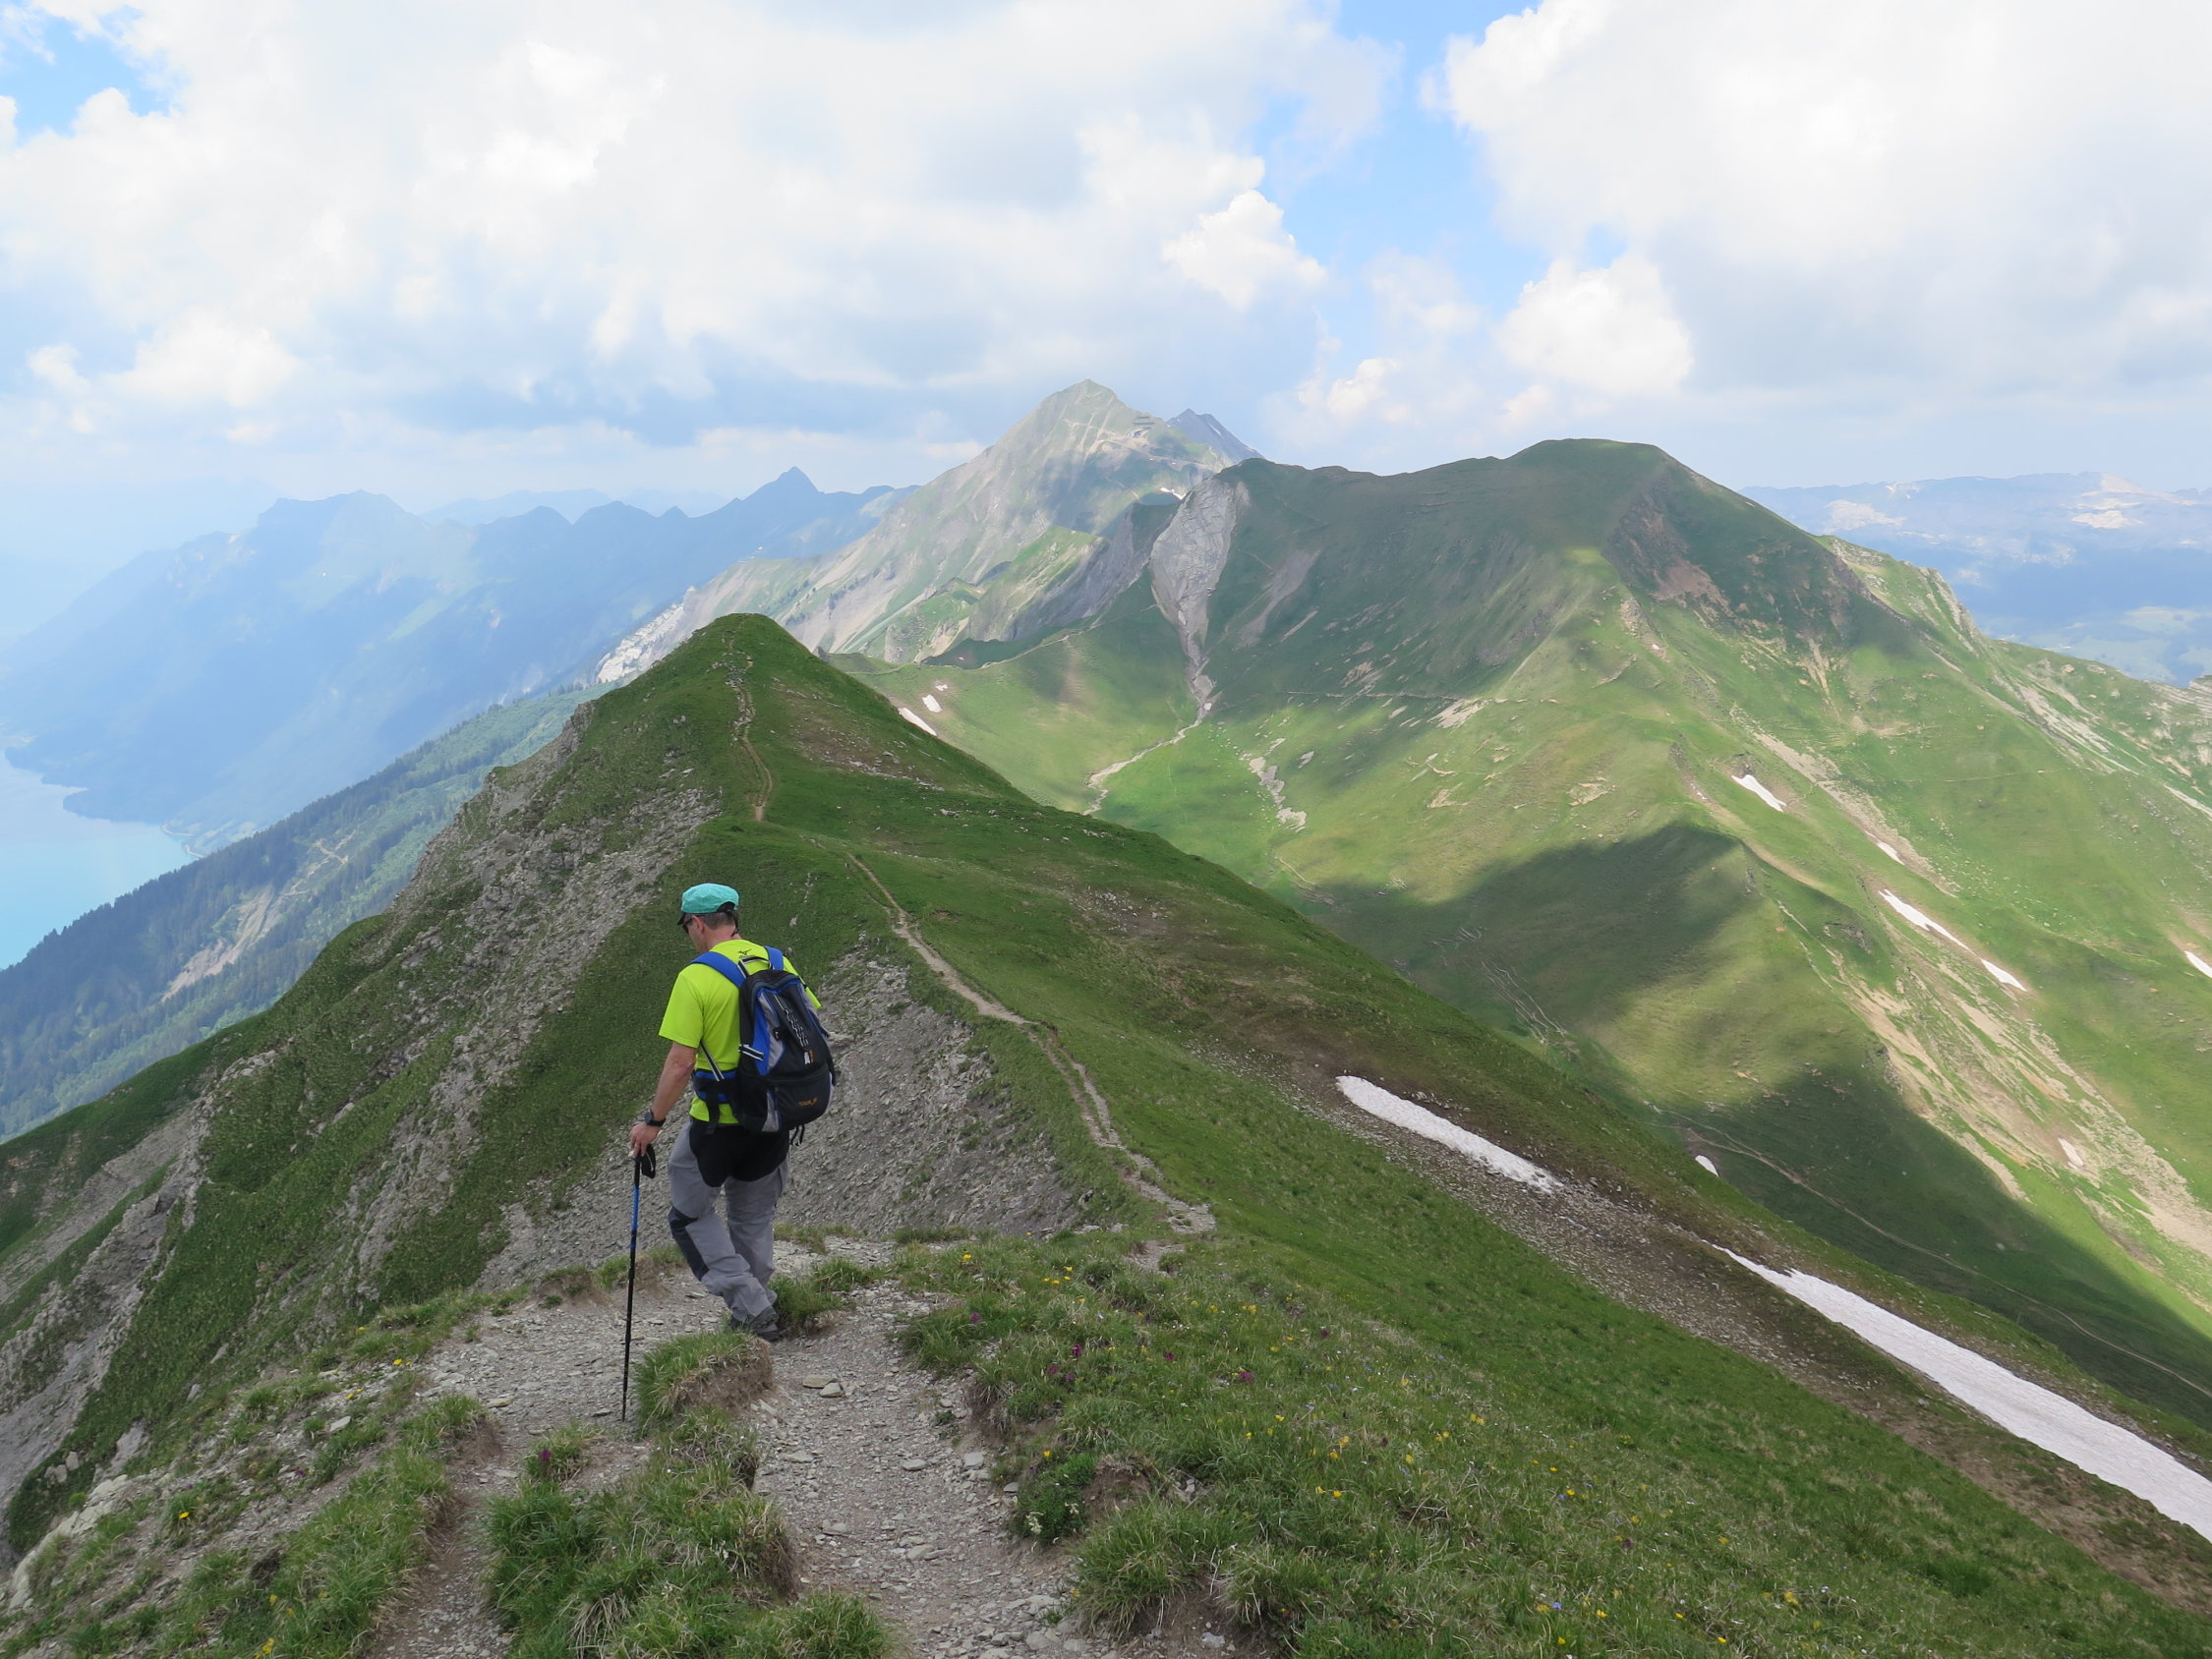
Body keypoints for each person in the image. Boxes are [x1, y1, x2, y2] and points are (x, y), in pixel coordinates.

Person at [628, 881, 820, 1340]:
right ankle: (757, 1307)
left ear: (696, 923)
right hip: (775, 1116)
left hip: (719, 1123)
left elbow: (681, 1063)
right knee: (752, 1217)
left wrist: (653, 1122)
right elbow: (811, 1019)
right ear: (732, 919)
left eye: (686, 927)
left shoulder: (696, 977)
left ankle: (751, 1306)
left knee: (689, 1215)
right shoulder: (777, 961)